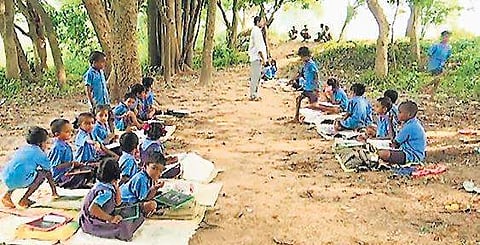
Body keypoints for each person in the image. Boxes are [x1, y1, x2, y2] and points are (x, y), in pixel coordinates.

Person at [79, 158, 145, 241]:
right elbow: (93, 209)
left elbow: (118, 202)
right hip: (91, 220)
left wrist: (116, 188)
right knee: (124, 229)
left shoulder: (108, 184)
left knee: (130, 208)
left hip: (104, 211)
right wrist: (111, 219)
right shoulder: (106, 192)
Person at [1, 127, 58, 208]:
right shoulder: (39, 153)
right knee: (43, 174)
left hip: (5, 177)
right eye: (46, 142)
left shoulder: (22, 148)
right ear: (40, 143)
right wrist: (54, 191)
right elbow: (48, 170)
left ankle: (7, 196)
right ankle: (24, 199)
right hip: (19, 180)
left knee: (18, 172)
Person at [49, 119, 94, 189]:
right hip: (60, 176)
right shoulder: (57, 148)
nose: (70, 133)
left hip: (69, 170)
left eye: (71, 131)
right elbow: (55, 167)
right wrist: (71, 164)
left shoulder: (65, 144)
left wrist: (76, 165)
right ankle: (70, 184)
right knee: (80, 176)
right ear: (57, 134)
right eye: (67, 132)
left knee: (90, 169)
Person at [378, 101, 427, 165]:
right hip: (412, 153)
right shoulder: (413, 123)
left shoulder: (409, 127)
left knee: (383, 153)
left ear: (409, 115)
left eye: (400, 112)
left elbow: (395, 143)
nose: (398, 114)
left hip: (411, 155)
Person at [120, 152, 166, 216]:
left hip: (135, 201)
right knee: (152, 204)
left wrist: (155, 188)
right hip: (125, 205)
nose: (156, 172)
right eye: (154, 168)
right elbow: (145, 199)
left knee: (160, 196)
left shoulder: (148, 177)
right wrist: (154, 189)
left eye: (160, 171)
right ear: (145, 165)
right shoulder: (141, 178)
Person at [293, 46, 320, 122]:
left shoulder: (311, 64)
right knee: (298, 99)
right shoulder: (305, 64)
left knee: (313, 106)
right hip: (306, 88)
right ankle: (296, 117)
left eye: (302, 57)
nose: (301, 58)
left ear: (306, 56)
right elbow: (301, 73)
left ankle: (313, 121)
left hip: (312, 88)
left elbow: (316, 75)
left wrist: (316, 88)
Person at [248, 16, 267, 101]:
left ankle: (255, 94)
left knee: (257, 76)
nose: (263, 23)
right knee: (255, 76)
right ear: (258, 22)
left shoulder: (257, 31)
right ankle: (253, 95)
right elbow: (258, 47)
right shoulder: (256, 31)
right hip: (256, 57)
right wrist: (264, 59)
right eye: (262, 22)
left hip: (257, 58)